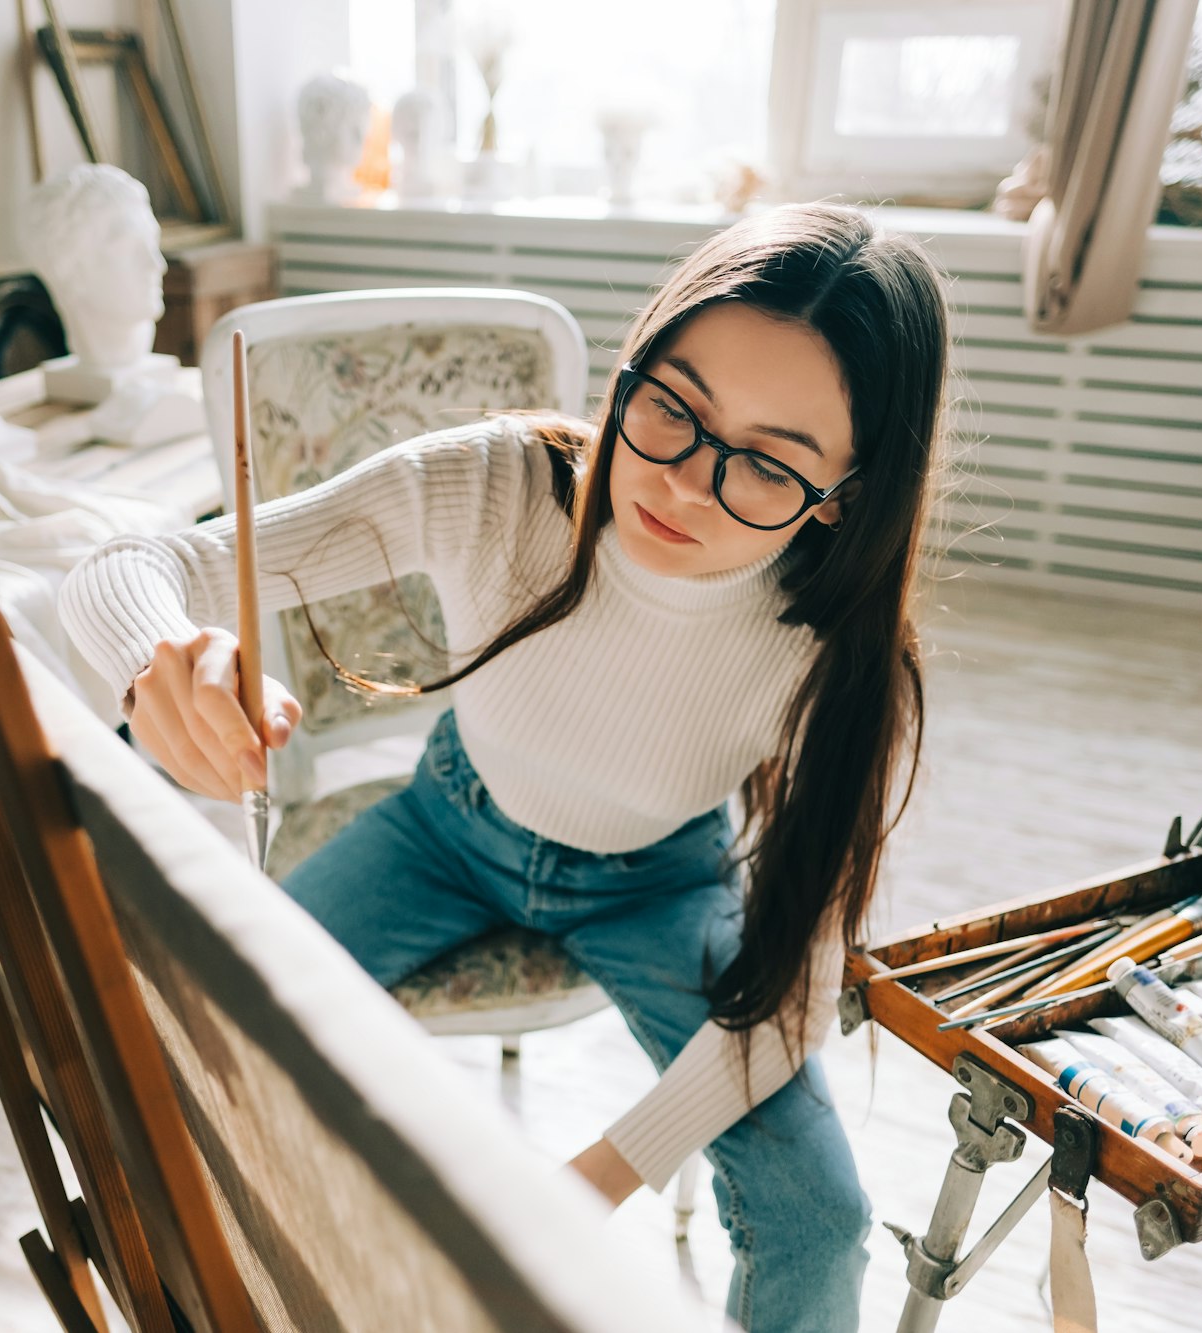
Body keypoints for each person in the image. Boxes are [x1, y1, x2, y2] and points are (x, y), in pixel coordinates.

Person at [59, 203, 948, 1333]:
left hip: (662, 881)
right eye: (669, 406)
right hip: (444, 824)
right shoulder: (497, 487)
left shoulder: (843, 657)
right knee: (185, 1048)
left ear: (850, 495)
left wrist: (589, 1183)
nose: (679, 481)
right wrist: (157, 660)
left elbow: (795, 997)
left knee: (819, 1221)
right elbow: (126, 562)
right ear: (633, 366)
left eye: (767, 467)